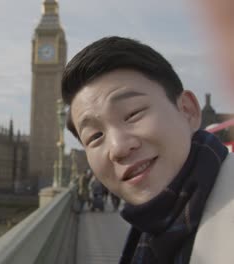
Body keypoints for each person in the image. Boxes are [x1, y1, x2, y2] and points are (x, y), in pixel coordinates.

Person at [62, 36, 232, 263]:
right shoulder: (151, 229)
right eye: (95, 136)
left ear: (188, 111)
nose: (118, 148)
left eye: (132, 114)